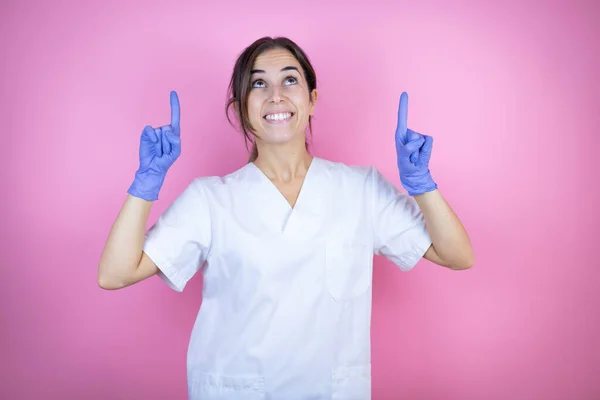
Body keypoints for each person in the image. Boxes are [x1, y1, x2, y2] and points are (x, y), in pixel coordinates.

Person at [98, 36, 474, 400]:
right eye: (258, 83)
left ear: (312, 100)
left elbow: (457, 256)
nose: (275, 95)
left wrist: (422, 185)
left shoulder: (362, 189)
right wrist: (146, 184)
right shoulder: (209, 199)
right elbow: (114, 274)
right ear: (241, 106)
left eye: (290, 80)